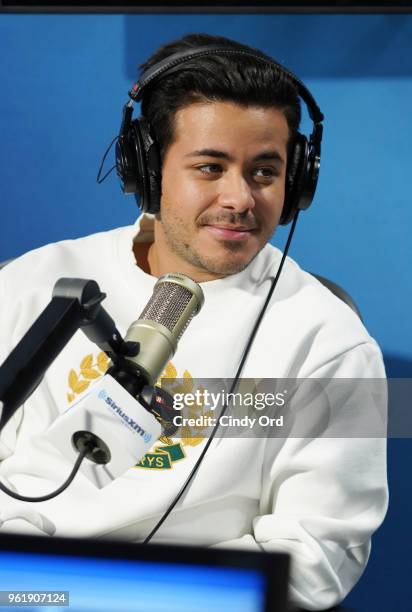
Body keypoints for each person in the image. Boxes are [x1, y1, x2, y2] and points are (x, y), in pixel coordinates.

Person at [0, 33, 387, 610]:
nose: (240, 198)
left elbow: (316, 558)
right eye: (210, 166)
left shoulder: (329, 341)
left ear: (297, 181)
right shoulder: (32, 283)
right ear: (150, 169)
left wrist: (120, 598)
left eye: (264, 172)